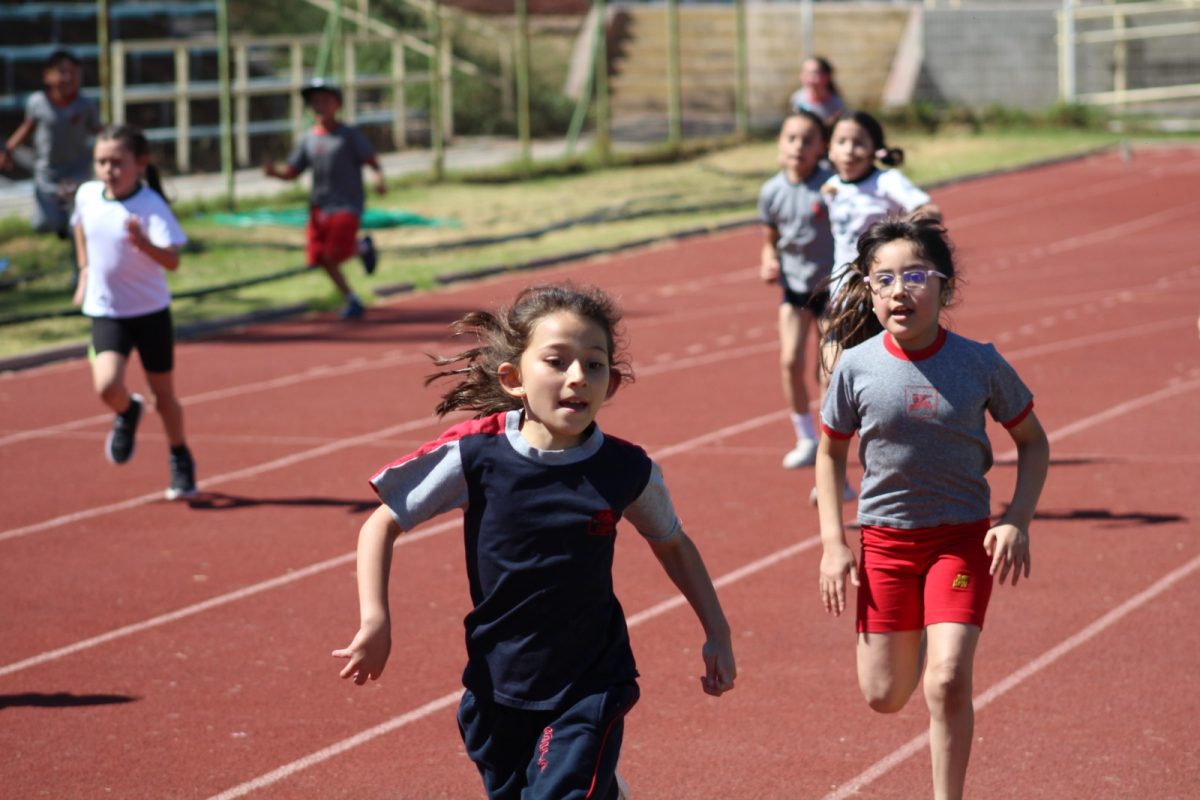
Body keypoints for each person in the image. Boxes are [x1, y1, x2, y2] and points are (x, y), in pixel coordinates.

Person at [332, 283, 737, 800]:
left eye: (594, 364)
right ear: (514, 378)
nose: (577, 376)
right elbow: (381, 524)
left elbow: (673, 543)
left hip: (589, 682)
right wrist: (375, 619)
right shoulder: (476, 456)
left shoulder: (626, 469)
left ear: (610, 384)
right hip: (496, 683)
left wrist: (717, 632)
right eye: (556, 361)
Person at [815, 218, 1050, 800]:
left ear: (945, 287)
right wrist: (833, 545)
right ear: (869, 291)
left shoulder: (979, 363)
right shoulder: (855, 366)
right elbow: (830, 452)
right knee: (884, 695)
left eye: (915, 276)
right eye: (884, 279)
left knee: (945, 681)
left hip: (959, 542)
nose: (899, 291)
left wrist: (1017, 520)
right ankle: (920, 629)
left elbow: (1033, 442)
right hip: (887, 542)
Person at [72, 124, 198, 500]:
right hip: (107, 310)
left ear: (139, 163)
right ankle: (127, 412)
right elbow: (79, 226)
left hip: (150, 312)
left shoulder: (150, 205)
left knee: (163, 396)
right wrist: (84, 269)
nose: (108, 170)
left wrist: (143, 243)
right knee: (107, 386)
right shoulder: (87, 194)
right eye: (101, 162)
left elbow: (172, 261)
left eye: (117, 162)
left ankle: (179, 455)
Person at [262, 78, 385, 319]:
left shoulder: (348, 135)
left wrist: (379, 179)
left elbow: (372, 161)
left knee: (333, 254)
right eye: (315, 102)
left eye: (325, 101)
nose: (319, 106)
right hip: (320, 207)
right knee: (319, 258)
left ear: (337, 105)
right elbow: (292, 172)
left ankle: (361, 247)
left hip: (347, 206)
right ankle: (352, 298)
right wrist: (274, 173)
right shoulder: (307, 140)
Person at [757, 111, 834, 469]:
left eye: (807, 140)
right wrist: (768, 261)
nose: (798, 146)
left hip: (832, 288)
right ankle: (805, 437)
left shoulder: (832, 186)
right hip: (794, 288)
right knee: (790, 361)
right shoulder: (771, 191)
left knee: (828, 370)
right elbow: (769, 241)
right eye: (792, 138)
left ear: (821, 147)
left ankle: (831, 439)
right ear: (780, 144)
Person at [0, 49, 102, 239]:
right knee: (44, 224)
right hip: (48, 172)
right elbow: (26, 128)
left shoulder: (86, 104)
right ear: (47, 75)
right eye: (62, 72)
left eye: (74, 73)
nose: (68, 78)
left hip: (77, 171)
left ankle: (75, 242)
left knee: (79, 223)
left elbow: (100, 132)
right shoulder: (38, 102)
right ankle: (59, 225)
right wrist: (8, 150)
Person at [789, 57, 845, 129]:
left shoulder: (837, 105)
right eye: (805, 72)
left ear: (827, 76)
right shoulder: (797, 99)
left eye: (814, 73)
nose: (807, 78)